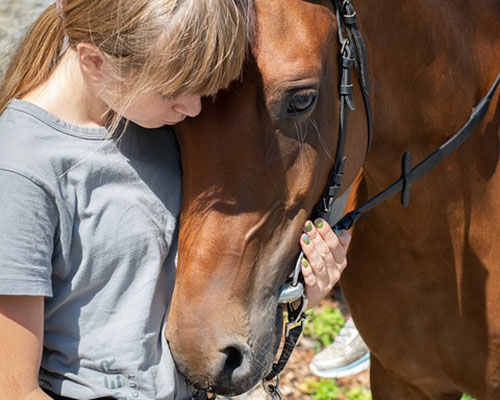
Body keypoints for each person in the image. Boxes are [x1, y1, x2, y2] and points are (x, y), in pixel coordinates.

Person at [0, 1, 352, 400]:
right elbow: (13, 390)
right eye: (174, 90)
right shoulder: (21, 170)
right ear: (94, 61)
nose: (194, 107)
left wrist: (298, 292)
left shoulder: (157, 124)